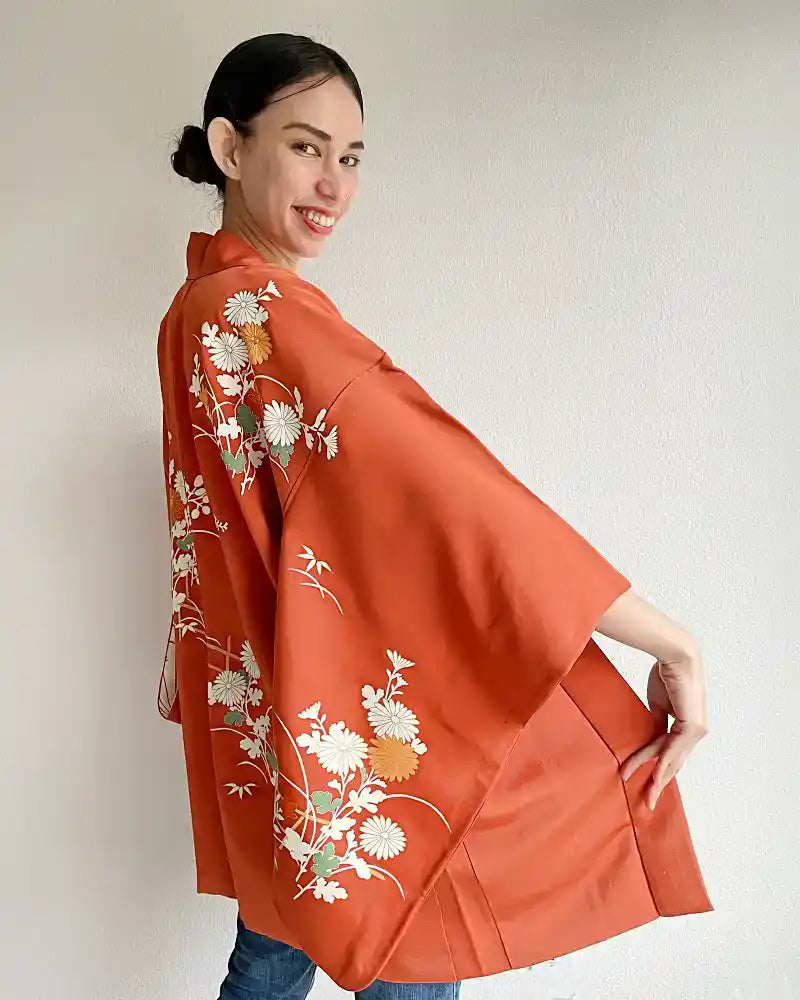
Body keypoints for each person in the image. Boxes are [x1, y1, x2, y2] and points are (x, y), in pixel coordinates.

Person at [159, 33, 712, 1000]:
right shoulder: (264, 317)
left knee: (276, 950)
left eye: (352, 156)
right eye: (304, 146)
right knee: (404, 941)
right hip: (325, 719)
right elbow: (455, 497)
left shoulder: (195, 309)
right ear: (229, 146)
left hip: (281, 720)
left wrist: (190, 636)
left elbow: (227, 519)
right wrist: (667, 637)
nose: (333, 182)